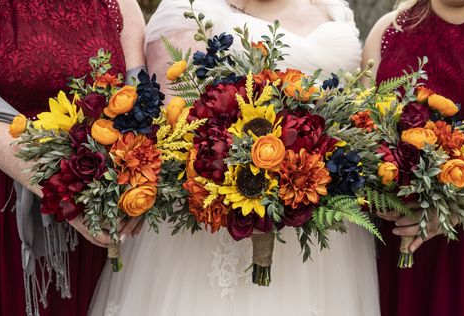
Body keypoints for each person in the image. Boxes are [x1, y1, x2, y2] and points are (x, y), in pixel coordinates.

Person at [89, 1, 380, 315]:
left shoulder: (334, 8)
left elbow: (360, 111)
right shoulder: (187, 9)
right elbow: (172, 127)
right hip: (220, 219)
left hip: (324, 223)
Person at [0, 1, 145, 315]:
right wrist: (70, 199)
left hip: (98, 211)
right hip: (7, 205)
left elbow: (140, 103)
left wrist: (138, 187)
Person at [362, 0, 464, 315]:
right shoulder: (389, 30)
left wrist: (454, 211)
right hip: (396, 239)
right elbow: (361, 130)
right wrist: (380, 193)